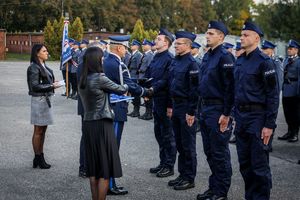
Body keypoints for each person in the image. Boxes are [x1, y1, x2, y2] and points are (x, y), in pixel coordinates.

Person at [234, 21, 279, 200]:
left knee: (259, 165)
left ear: (256, 38)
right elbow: (236, 90)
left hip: (258, 118)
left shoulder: (264, 62)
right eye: (241, 34)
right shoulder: (240, 60)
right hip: (242, 117)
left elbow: (273, 95)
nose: (242, 37)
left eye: (246, 35)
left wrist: (269, 124)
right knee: (245, 164)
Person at [103, 35, 152, 195]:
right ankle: (110, 184)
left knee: (109, 147)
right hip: (116, 109)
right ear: (119, 48)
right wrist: (146, 91)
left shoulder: (105, 60)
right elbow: (128, 84)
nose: (126, 50)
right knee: (113, 148)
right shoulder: (118, 63)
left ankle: (107, 182)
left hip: (107, 107)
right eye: (125, 47)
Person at [78, 47, 128, 200]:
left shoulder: (83, 78)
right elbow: (120, 89)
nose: (104, 59)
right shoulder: (100, 77)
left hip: (88, 124)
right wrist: (128, 86)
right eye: (102, 57)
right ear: (97, 60)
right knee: (105, 170)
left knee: (93, 170)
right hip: (102, 124)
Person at [197, 21, 235, 200]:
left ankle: (221, 193)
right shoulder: (208, 56)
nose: (207, 35)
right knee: (210, 152)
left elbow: (230, 88)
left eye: (211, 33)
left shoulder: (225, 57)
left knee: (219, 153)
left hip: (219, 109)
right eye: (207, 32)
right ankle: (213, 188)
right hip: (206, 108)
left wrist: (227, 114)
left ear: (221, 36)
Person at [167, 31, 199, 190]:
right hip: (176, 105)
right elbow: (172, 84)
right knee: (179, 143)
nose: (175, 45)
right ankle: (182, 174)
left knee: (188, 145)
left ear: (187, 45)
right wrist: (171, 106)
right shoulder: (176, 61)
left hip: (187, 107)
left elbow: (195, 90)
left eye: (178, 43)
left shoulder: (192, 63)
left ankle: (189, 178)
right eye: (176, 43)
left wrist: (191, 112)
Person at [146, 28, 177, 178]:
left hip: (165, 102)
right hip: (156, 101)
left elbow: (168, 82)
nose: (155, 41)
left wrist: (170, 105)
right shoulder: (156, 56)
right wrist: (144, 89)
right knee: (158, 133)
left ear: (166, 42)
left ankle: (169, 165)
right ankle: (162, 162)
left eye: (158, 39)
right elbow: (150, 75)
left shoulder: (169, 59)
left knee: (167, 135)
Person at [27, 44, 62, 169]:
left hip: (45, 100)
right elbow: (34, 86)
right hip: (39, 100)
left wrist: (53, 83)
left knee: (43, 130)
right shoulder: (33, 67)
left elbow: (45, 82)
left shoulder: (43, 65)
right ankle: (38, 157)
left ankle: (40, 155)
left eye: (46, 50)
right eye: (44, 51)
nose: (47, 52)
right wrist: (52, 86)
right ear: (37, 53)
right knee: (38, 130)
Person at [277, 40, 300, 142]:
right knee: (287, 112)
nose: (289, 50)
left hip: (294, 90)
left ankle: (295, 133)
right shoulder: (286, 60)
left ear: (296, 50)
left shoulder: (299, 61)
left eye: (291, 49)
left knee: (295, 113)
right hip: (286, 89)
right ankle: (289, 132)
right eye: (288, 48)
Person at [138, 39, 154, 120]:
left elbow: (150, 68)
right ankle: (146, 113)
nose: (143, 46)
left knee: (148, 97)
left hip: (147, 79)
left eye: (144, 45)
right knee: (145, 97)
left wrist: (141, 70)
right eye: (142, 45)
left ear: (149, 46)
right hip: (143, 78)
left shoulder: (150, 55)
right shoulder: (145, 55)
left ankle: (149, 114)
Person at [127, 39, 143, 117]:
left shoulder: (138, 55)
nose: (131, 46)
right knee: (133, 94)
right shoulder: (133, 54)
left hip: (135, 76)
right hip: (131, 75)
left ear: (137, 46)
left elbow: (138, 67)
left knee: (136, 95)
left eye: (133, 45)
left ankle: (137, 111)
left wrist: (138, 78)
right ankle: (134, 110)